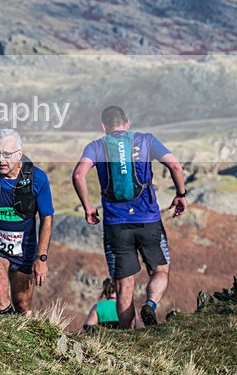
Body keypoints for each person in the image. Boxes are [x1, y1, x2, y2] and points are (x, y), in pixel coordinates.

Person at [72, 105, 187, 328]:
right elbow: (174, 165)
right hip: (148, 220)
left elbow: (78, 175)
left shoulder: (96, 146)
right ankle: (151, 304)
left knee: (124, 284)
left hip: (116, 224)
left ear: (103, 126)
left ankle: (127, 337)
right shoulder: (146, 140)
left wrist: (87, 207)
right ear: (127, 123)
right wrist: (181, 194)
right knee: (160, 270)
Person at [0, 129, 54, 314]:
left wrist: (41, 257)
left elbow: (47, 218)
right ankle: (3, 336)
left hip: (25, 249)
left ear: (19, 154)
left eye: (7, 154)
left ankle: (22, 337)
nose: (1, 160)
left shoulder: (37, 179)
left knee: (22, 305)